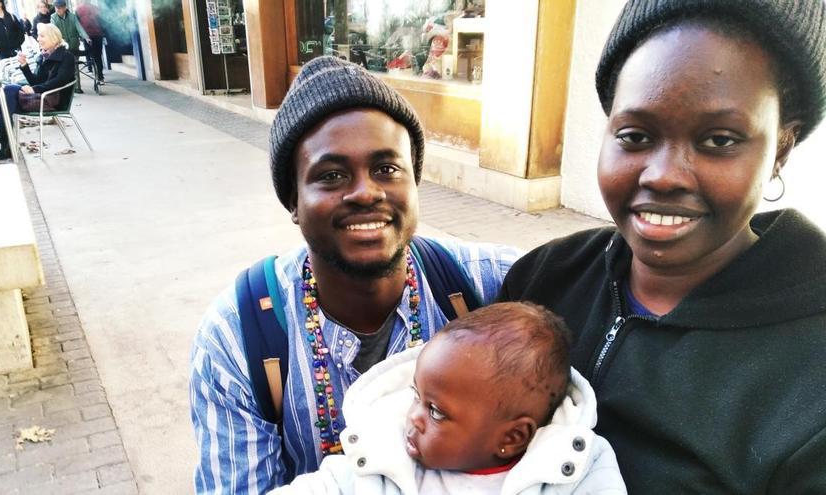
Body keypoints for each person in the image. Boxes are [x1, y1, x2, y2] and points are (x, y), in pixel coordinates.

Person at [498, 0, 826, 493]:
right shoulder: (544, 278)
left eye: (719, 140)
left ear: (780, 148)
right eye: (635, 135)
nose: (665, 175)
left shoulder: (811, 378)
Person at [189, 55, 520, 494]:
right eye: (331, 175)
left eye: (387, 169)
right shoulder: (239, 339)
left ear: (414, 183)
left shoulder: (487, 288)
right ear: (294, 201)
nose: (366, 192)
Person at [272, 302, 626, 494]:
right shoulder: (385, 453)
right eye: (417, 396)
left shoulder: (576, 468)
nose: (413, 417)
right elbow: (329, 485)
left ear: (511, 438)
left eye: (437, 412)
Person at [0, 23, 75, 160]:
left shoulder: (66, 56)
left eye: (42, 35)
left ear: (54, 38)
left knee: (8, 94)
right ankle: (3, 138)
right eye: (38, 35)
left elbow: (60, 81)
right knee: (7, 96)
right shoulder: (43, 56)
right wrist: (24, 66)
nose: (38, 39)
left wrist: (34, 89)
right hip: (43, 96)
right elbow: (36, 81)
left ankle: (2, 137)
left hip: (54, 100)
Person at [50, 0, 89, 93]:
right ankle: (68, 88)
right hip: (62, 47)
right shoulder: (53, 17)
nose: (57, 10)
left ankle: (77, 87)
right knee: (65, 69)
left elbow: (79, 27)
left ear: (65, 8)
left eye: (59, 8)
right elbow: (54, 29)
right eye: (56, 8)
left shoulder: (72, 17)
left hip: (74, 46)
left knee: (75, 67)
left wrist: (86, 37)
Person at [75, 0, 105, 82]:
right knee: (98, 56)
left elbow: (77, 24)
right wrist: (103, 33)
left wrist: (80, 36)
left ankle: (91, 69)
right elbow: (103, 22)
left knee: (89, 53)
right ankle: (100, 76)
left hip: (87, 36)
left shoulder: (78, 10)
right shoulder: (96, 8)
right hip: (98, 35)